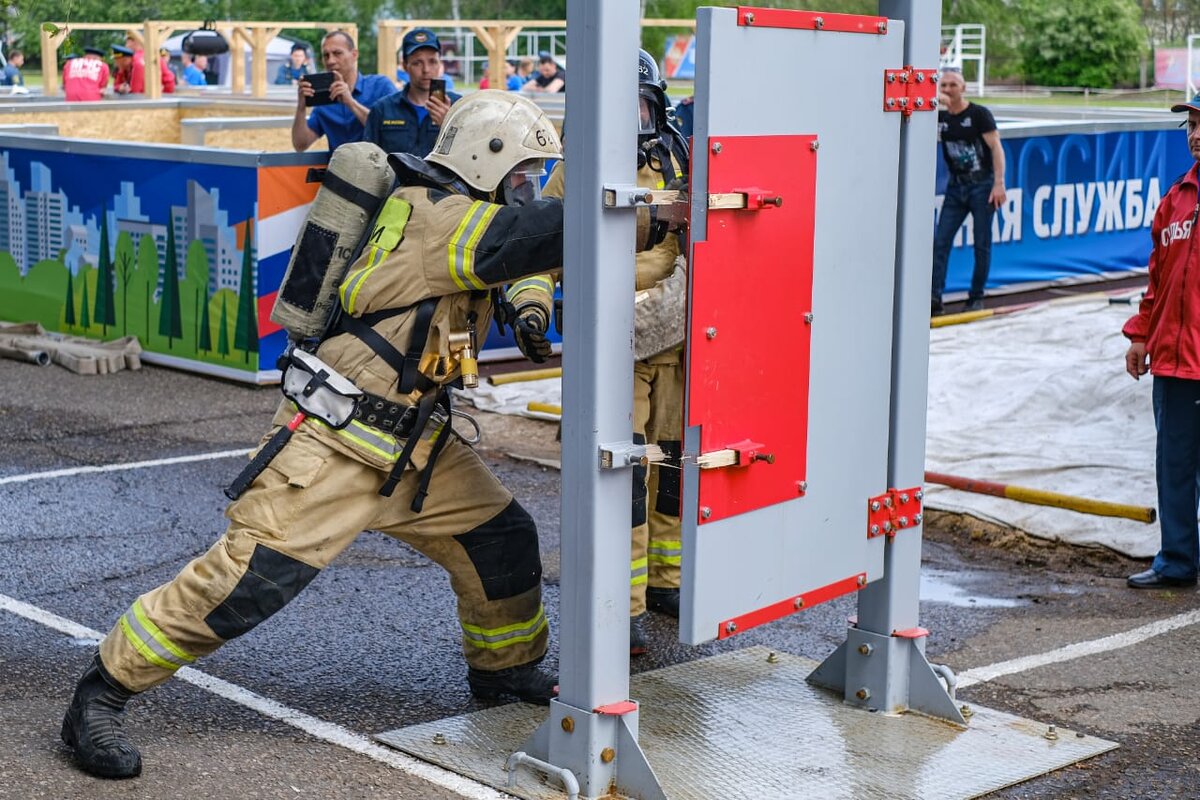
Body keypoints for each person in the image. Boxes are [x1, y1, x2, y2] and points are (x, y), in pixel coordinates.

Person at [61, 91, 569, 781]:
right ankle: (102, 692)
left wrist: (533, 310)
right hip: (340, 442)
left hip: (415, 446)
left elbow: (519, 260)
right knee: (244, 583)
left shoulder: (463, 219)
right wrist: (650, 213)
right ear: (488, 161)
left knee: (501, 539)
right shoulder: (436, 218)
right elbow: (537, 235)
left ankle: (504, 671)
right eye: (523, 175)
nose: (529, 189)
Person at [506, 50, 690, 654]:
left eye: (639, 105)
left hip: (682, 344)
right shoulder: (577, 168)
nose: (630, 120)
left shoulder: (679, 157)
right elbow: (539, 244)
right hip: (616, 344)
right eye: (617, 108)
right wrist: (531, 304)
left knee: (673, 467)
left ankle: (668, 579)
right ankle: (624, 604)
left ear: (657, 106)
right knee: (625, 476)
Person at [1123, 94, 1200, 591]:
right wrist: (1140, 336)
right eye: (1191, 125)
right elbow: (1158, 278)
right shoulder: (1176, 197)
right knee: (1174, 467)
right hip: (1174, 361)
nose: (1194, 134)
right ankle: (1176, 559)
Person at [930, 67, 1005, 315]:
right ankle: (934, 296)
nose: (948, 89)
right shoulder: (940, 118)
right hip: (956, 187)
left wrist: (999, 183)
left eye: (953, 85)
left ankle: (976, 296)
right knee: (940, 242)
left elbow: (996, 147)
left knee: (981, 243)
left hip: (982, 185)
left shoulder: (979, 114)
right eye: (944, 85)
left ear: (963, 88)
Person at [292, 30, 396, 152]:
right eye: (326, 55)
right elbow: (300, 144)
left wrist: (350, 103)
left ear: (354, 55)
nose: (331, 61)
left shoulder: (381, 86)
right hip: (340, 170)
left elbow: (392, 132)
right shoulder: (324, 99)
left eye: (337, 53)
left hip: (380, 168)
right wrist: (301, 108)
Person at [364, 28, 460, 159]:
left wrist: (448, 126)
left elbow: (472, 161)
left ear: (440, 64)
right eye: (417, 63)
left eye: (432, 61)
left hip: (440, 180)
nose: (426, 70)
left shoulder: (460, 107)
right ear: (404, 66)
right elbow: (369, 162)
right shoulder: (382, 110)